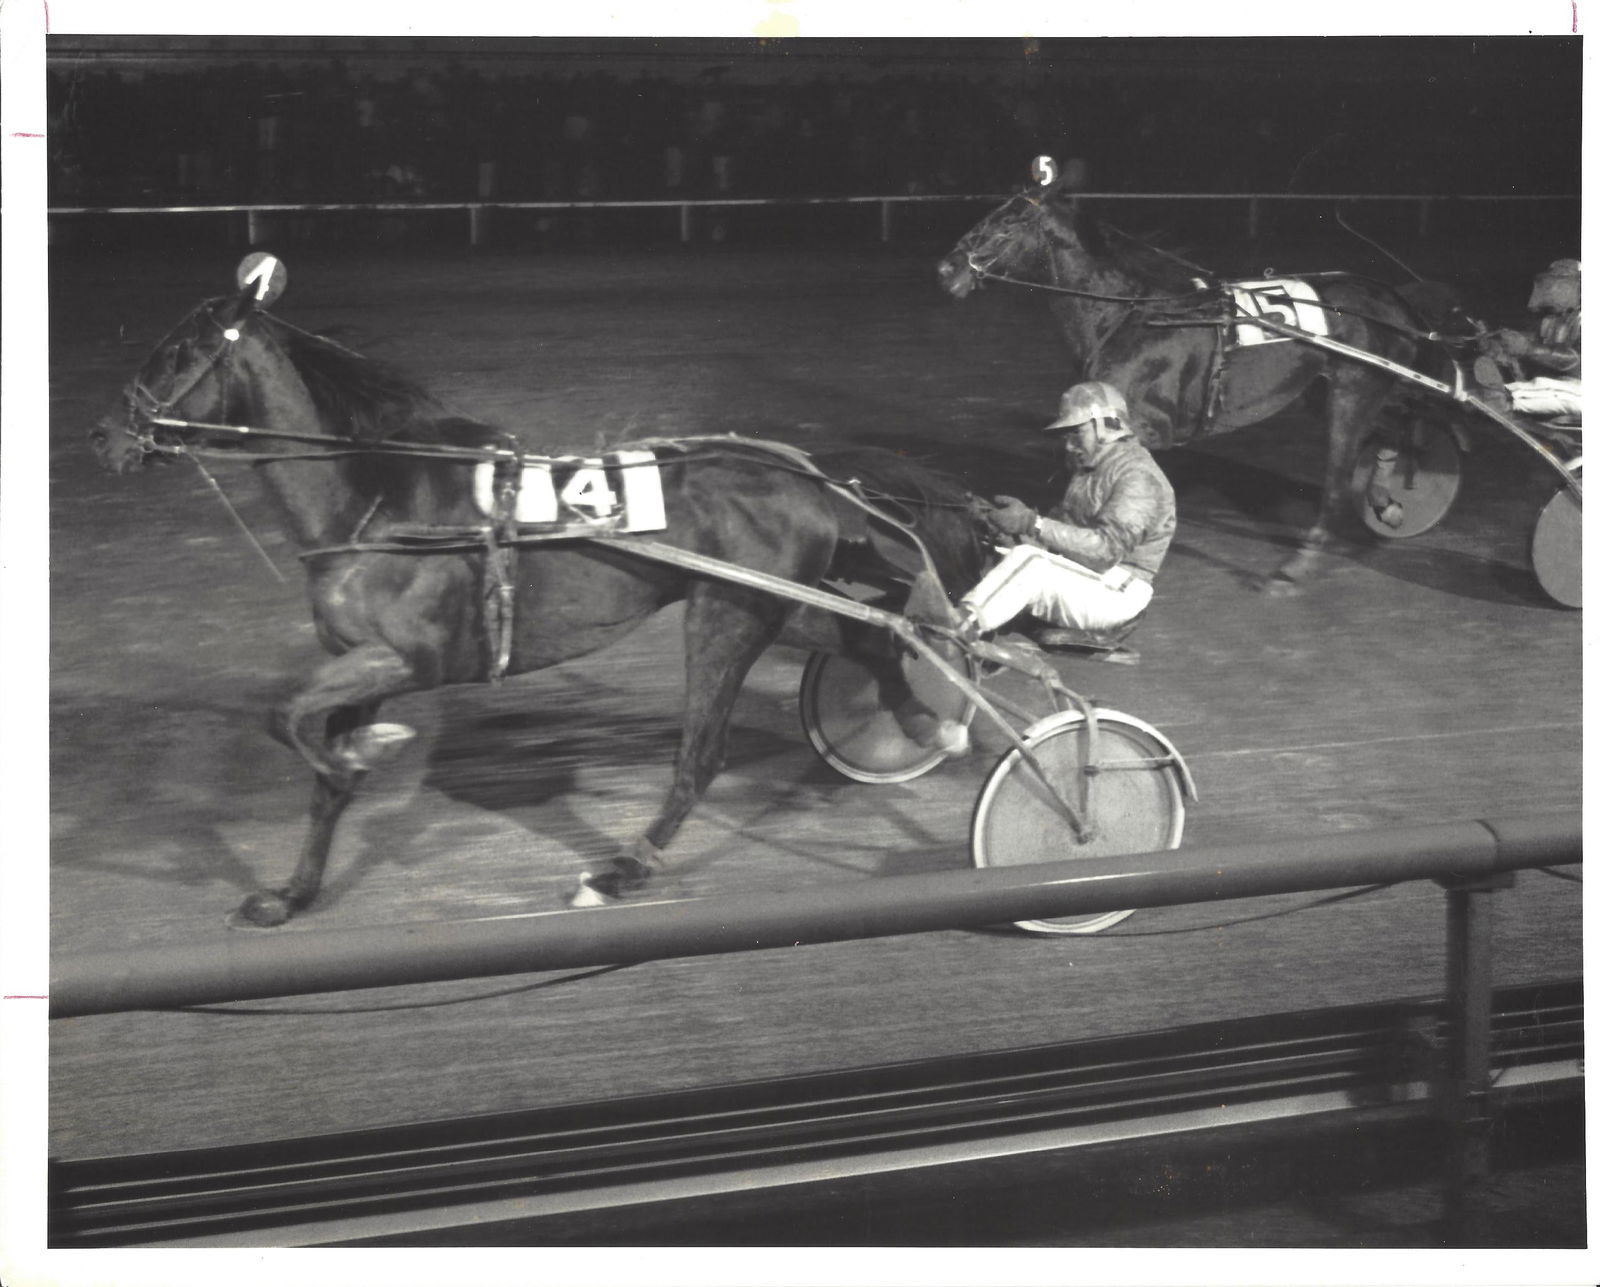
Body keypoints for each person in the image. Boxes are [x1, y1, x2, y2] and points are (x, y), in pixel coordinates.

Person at [954, 381, 1176, 645]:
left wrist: (1032, 524)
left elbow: (1105, 553)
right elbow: (1062, 536)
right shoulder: (1093, 469)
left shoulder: (1139, 477)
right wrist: (1006, 528)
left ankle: (959, 627)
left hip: (1117, 591)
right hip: (1089, 579)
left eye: (1076, 433)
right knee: (997, 550)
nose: (1069, 446)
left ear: (1107, 426)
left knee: (1029, 562)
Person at [1473, 258, 1581, 420]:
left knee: (1572, 395)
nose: (1551, 290)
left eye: (1560, 285)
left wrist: (1529, 349)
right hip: (1562, 384)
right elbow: (1532, 350)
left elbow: (1578, 363)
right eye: (1551, 284)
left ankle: (1504, 399)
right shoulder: (1550, 320)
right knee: (1547, 385)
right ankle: (1497, 396)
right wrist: (1496, 346)